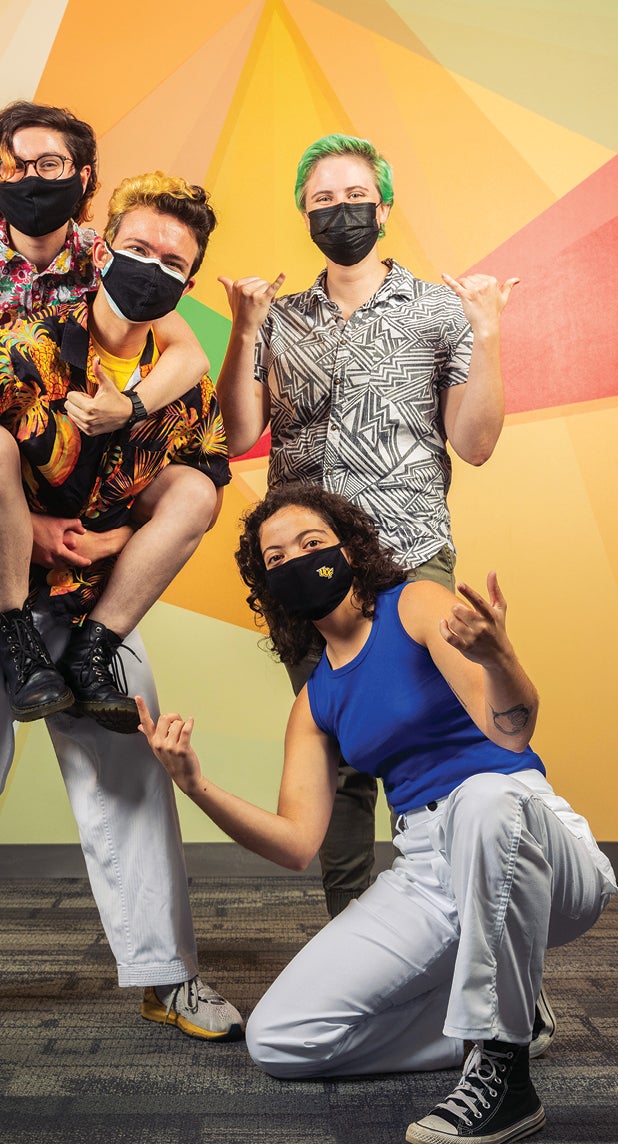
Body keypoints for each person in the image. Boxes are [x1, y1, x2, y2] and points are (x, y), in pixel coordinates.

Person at [0, 99, 241, 1039]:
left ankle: (164, 970)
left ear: (87, 184)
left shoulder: (115, 267)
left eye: (58, 162)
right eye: (22, 162)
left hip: (93, 551)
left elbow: (184, 345)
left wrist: (123, 441)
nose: (39, 176)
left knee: (127, 767)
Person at [138, 483, 617, 1144]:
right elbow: (296, 843)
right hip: (426, 863)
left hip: (527, 834)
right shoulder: (316, 700)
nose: (297, 561)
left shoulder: (416, 605)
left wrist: (500, 657)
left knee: (481, 799)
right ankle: (508, 1021)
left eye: (311, 544)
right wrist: (194, 784)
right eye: (277, 558)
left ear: (350, 550)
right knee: (281, 1038)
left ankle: (504, 1075)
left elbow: (510, 736)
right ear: (270, 587)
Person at [216, 134, 518, 918]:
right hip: (305, 563)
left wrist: (487, 333)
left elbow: (477, 444)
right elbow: (241, 432)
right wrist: (245, 330)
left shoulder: (438, 310)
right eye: (321, 200)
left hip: (410, 552)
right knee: (338, 752)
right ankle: (356, 937)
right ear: (304, 215)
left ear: (383, 206)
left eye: (353, 196)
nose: (339, 210)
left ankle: (470, 924)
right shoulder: (281, 317)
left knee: (439, 741)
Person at [0, 170, 229, 735]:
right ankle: (15, 640)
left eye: (172, 264)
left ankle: (94, 649)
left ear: (188, 286)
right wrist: (30, 527)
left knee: (197, 489)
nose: (151, 271)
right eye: (137, 250)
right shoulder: (20, 350)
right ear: (104, 255)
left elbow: (203, 495)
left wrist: (117, 538)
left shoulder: (183, 380)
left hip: (97, 584)